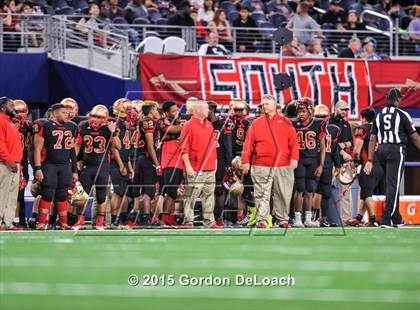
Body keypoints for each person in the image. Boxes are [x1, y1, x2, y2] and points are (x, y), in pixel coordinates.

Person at [364, 88, 420, 228]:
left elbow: (372, 140)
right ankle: (386, 219)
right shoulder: (402, 114)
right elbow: (415, 137)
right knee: (393, 186)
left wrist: (370, 160)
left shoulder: (379, 115)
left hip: (381, 150)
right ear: (398, 100)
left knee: (389, 184)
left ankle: (396, 218)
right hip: (395, 150)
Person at [241, 94, 299, 229]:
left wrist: (294, 158)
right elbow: (248, 143)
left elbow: (294, 142)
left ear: (274, 105)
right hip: (261, 165)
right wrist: (245, 161)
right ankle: (262, 220)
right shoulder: (256, 123)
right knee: (262, 193)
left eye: (266, 104)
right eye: (262, 104)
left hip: (283, 164)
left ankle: (283, 219)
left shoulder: (285, 122)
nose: (263, 107)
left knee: (284, 194)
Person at [73, 105, 120, 230]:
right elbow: (77, 145)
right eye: (93, 116)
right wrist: (73, 160)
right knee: (82, 196)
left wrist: (113, 132)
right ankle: (80, 221)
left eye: (98, 117)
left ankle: (100, 222)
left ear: (105, 118)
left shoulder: (108, 128)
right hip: (87, 166)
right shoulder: (83, 126)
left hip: (102, 166)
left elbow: (118, 146)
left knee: (101, 196)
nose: (94, 119)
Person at [33, 103, 78, 230]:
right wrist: (37, 168)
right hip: (49, 165)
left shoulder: (71, 127)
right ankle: (42, 222)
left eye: (67, 112)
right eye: (63, 112)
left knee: (62, 195)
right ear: (54, 114)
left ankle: (63, 223)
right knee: (47, 194)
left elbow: (72, 150)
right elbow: (37, 149)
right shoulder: (45, 126)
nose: (67, 114)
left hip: (65, 166)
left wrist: (74, 170)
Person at [179, 100, 220, 228]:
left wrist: (215, 162)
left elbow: (213, 146)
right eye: (206, 108)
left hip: (210, 167)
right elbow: (183, 149)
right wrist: (188, 167)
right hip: (195, 168)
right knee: (191, 195)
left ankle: (209, 221)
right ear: (198, 110)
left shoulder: (209, 125)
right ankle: (188, 221)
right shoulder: (188, 126)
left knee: (209, 196)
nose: (208, 111)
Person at [292, 97, 326, 228]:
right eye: (299, 111)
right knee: (300, 189)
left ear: (310, 111)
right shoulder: (293, 123)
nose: (300, 114)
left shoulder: (318, 123)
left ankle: (308, 218)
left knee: (310, 190)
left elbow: (322, 145)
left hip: (313, 160)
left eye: (303, 111)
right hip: (299, 160)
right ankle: (297, 218)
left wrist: (321, 165)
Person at [346, 108, 380, 227]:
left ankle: (373, 219)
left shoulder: (362, 129)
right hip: (380, 165)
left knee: (366, 194)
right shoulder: (379, 129)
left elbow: (356, 150)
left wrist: (355, 161)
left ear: (363, 118)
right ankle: (359, 218)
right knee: (366, 193)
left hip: (368, 165)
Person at [159, 101, 184, 228]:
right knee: (170, 191)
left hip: (179, 161)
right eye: (173, 111)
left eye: (177, 110)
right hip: (168, 160)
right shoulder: (163, 121)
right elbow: (172, 129)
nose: (177, 112)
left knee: (174, 192)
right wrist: (190, 126)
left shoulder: (179, 121)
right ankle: (164, 219)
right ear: (166, 113)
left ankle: (168, 219)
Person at [329, 100, 354, 224]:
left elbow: (351, 142)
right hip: (330, 161)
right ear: (336, 109)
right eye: (342, 109)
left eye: (346, 110)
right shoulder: (327, 122)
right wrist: (342, 151)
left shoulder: (346, 124)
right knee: (324, 191)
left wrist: (341, 145)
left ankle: (346, 218)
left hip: (343, 163)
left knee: (345, 192)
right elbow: (330, 144)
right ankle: (323, 218)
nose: (345, 112)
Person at [0, 97, 23, 230]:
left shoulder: (10, 123)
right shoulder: (1, 121)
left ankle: (7, 223)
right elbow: (0, 145)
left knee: (12, 196)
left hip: (14, 164)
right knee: (2, 194)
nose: (14, 108)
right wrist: (9, 161)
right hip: (5, 164)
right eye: (11, 105)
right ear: (3, 107)